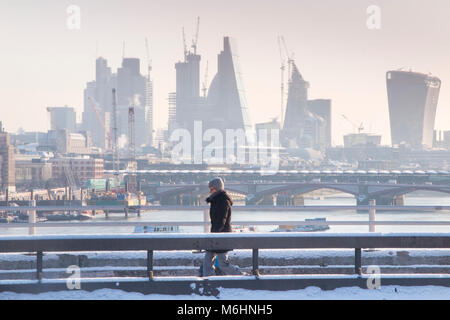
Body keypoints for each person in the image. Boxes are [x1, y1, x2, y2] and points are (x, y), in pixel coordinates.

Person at [201, 177, 243, 276]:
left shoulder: (223, 201)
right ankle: (207, 279)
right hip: (215, 235)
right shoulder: (215, 200)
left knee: (222, 263)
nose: (210, 191)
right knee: (208, 259)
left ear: (218, 188)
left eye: (212, 189)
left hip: (222, 236)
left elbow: (221, 220)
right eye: (210, 189)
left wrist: (215, 236)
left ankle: (240, 276)